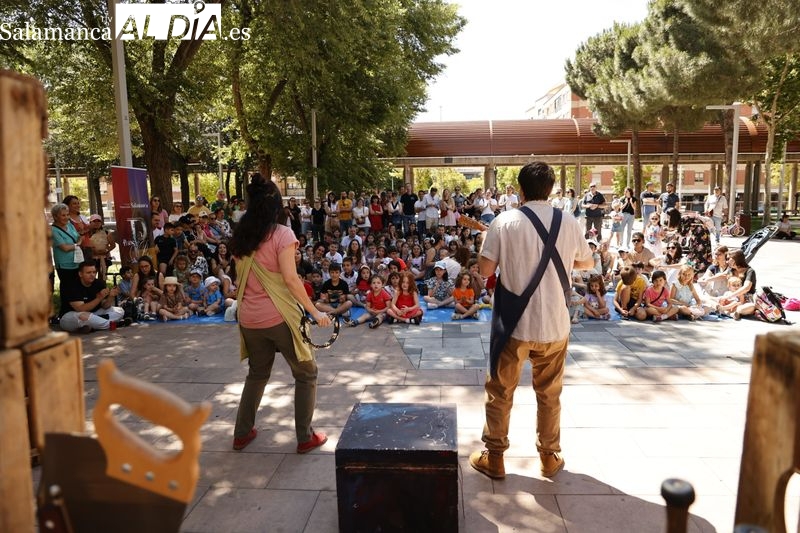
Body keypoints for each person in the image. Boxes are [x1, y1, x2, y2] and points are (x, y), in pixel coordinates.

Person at [469, 161, 594, 481]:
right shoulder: (568, 221)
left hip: (514, 325)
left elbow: (485, 270)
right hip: (555, 323)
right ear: (550, 190)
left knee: (500, 390)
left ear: (521, 189)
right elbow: (585, 261)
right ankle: (549, 457)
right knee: (550, 393)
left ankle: (494, 457)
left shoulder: (504, 221)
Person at [228, 173, 331, 453]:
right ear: (276, 204)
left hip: (248, 318)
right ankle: (304, 437)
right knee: (306, 373)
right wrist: (314, 312)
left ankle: (241, 433)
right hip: (279, 318)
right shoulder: (282, 234)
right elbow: (290, 279)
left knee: (257, 374)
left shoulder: (240, 236)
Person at [59, 261, 126, 332]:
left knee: (119, 311)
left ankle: (93, 325)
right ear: (80, 274)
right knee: (83, 317)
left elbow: (105, 306)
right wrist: (99, 298)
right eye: (89, 273)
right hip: (72, 316)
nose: (92, 275)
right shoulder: (73, 286)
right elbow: (81, 309)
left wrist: (111, 296)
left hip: (94, 314)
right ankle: (114, 324)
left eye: (94, 272)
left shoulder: (98, 283)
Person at [51, 203, 83, 313]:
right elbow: (64, 247)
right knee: (67, 289)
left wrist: (77, 242)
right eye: (63, 215)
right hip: (64, 264)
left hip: (77, 262)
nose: (66, 217)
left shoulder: (69, 224)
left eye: (67, 215)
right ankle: (65, 312)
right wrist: (77, 244)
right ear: (55, 216)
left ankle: (77, 310)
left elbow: (78, 236)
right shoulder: (53, 230)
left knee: (76, 288)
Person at [663, 207, 712, 276]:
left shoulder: (685, 219)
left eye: (669, 216)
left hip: (700, 236)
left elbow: (683, 233)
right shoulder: (682, 219)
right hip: (697, 236)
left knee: (699, 253)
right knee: (697, 253)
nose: (668, 218)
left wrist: (670, 234)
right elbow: (680, 232)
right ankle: (696, 271)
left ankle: (698, 271)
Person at [725, 249, 757, 319]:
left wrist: (731, 295)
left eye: (728, 259)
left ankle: (735, 312)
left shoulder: (750, 271)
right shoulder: (731, 269)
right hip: (732, 298)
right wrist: (707, 279)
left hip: (746, 300)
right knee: (711, 299)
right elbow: (723, 275)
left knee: (748, 307)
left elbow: (746, 288)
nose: (727, 261)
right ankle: (731, 312)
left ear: (735, 260)